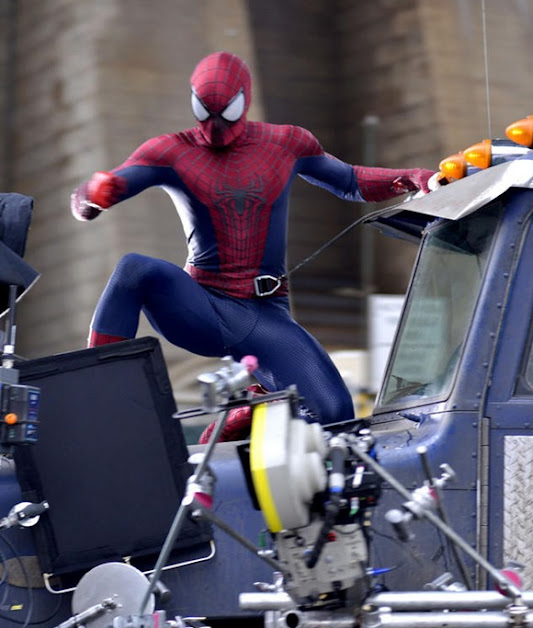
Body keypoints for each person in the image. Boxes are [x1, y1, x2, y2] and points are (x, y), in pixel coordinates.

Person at [71, 51, 434, 438]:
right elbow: (90, 200)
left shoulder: (287, 142)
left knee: (335, 419)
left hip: (265, 315)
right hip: (202, 304)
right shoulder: (170, 150)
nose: (213, 128)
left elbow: (349, 180)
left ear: (244, 101)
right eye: (202, 112)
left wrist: (411, 177)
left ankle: (252, 412)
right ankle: (100, 393)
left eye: (223, 114)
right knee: (136, 269)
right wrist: (93, 196)